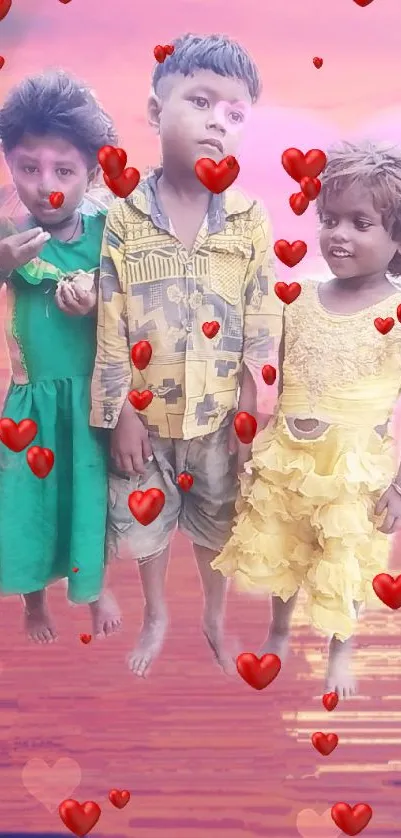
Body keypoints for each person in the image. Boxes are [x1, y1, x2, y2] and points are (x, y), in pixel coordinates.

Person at [90, 33, 283, 677]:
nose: (215, 122)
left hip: (220, 420)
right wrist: (119, 412)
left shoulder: (250, 219)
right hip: (145, 420)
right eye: (200, 101)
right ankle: (155, 615)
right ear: (154, 112)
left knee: (216, 525)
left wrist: (254, 410)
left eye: (234, 113)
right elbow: (111, 321)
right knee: (146, 531)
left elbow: (262, 319)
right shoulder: (124, 217)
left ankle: (214, 617)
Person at [212, 140, 401, 698]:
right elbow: (279, 374)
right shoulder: (300, 298)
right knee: (288, 546)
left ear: (397, 240)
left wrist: (399, 487)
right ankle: (278, 631)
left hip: (354, 467)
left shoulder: (396, 310)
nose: (339, 234)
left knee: (344, 556)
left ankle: (340, 649)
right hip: (290, 454)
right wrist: (255, 435)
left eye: (361, 223)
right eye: (331, 219)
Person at [0, 70, 121, 642]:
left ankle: (92, 590)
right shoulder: (7, 235)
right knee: (28, 505)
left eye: (64, 171)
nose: (44, 186)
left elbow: (137, 310)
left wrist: (97, 302)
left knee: (88, 501)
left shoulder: (110, 233)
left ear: (92, 173)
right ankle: (33, 601)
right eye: (28, 167)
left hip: (91, 395)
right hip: (31, 402)